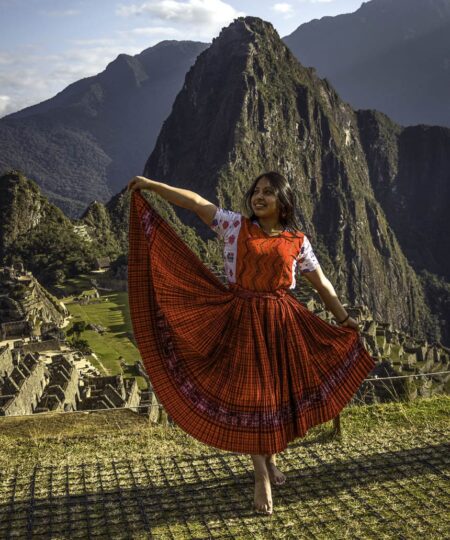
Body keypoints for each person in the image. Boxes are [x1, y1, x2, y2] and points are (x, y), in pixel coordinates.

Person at [126, 171, 375, 515]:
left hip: (282, 323)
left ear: (283, 202)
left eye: (268, 192)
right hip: (242, 320)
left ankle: (270, 462)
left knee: (272, 397)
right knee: (254, 397)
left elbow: (322, 284)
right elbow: (196, 202)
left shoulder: (297, 241)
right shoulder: (233, 226)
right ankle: (261, 476)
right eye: (256, 191)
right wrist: (152, 186)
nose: (259, 197)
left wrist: (344, 319)